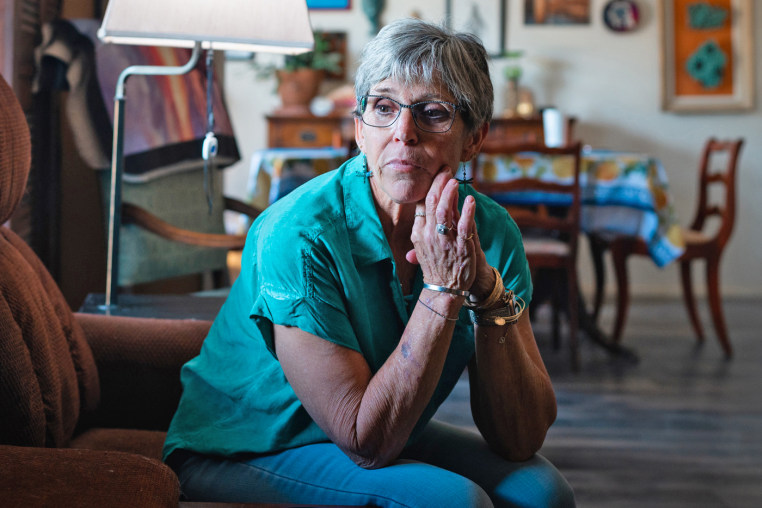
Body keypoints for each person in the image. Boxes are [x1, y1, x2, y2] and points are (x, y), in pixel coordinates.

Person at [163, 18, 575, 508]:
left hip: (391, 421)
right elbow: (366, 441)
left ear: (473, 138)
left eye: (433, 112)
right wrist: (442, 289)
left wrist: (487, 294)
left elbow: (521, 439)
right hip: (246, 443)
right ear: (360, 129)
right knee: (456, 502)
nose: (404, 133)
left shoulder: (489, 231)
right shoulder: (297, 234)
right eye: (384, 107)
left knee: (542, 493)